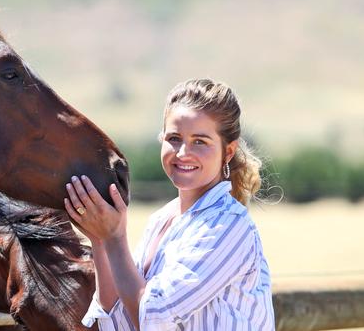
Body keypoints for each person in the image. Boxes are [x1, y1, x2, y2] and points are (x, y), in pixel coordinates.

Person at [64, 78, 275, 330]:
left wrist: (115, 238)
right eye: (174, 138)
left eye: (200, 141)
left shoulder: (229, 225)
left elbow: (156, 318)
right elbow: (120, 321)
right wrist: (100, 240)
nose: (183, 152)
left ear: (228, 151)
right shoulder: (161, 221)